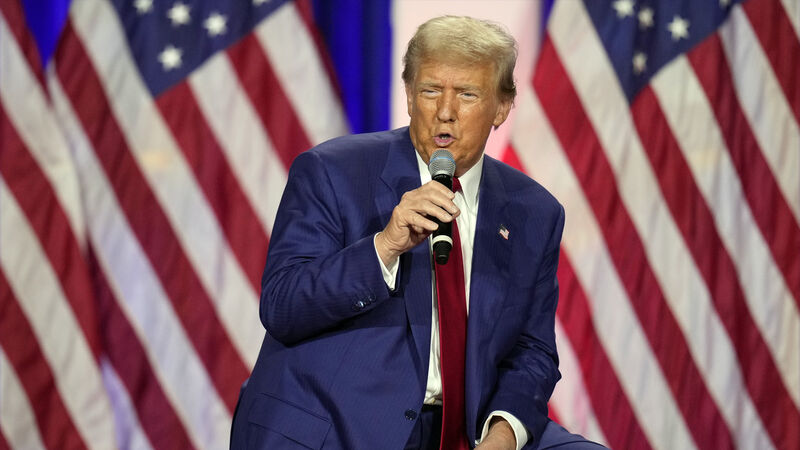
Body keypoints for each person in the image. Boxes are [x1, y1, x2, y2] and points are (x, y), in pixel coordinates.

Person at [230, 15, 602, 450]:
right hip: (339, 423)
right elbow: (282, 306)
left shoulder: (534, 213)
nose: (445, 111)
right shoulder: (332, 171)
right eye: (430, 91)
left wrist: (503, 435)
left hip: (465, 426)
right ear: (408, 96)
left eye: (467, 94)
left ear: (502, 108)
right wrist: (385, 246)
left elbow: (533, 351)